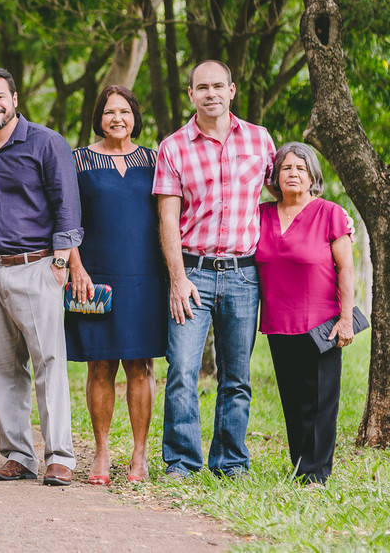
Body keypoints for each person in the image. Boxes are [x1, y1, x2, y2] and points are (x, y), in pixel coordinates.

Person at [153, 59, 275, 479]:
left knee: (236, 376)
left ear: (232, 90)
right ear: (191, 94)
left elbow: (286, 192)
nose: (211, 94)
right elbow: (167, 218)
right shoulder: (173, 147)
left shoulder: (260, 139)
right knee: (182, 370)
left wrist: (329, 216)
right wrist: (177, 279)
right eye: (202, 87)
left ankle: (231, 461)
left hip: (243, 276)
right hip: (193, 273)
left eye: (218, 86)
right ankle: (182, 462)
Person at [0, 66, 82, 487]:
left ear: (14, 99)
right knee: (0, 367)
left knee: (49, 362)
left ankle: (60, 457)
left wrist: (61, 264)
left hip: (37, 266)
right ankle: (18, 455)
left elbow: (67, 205)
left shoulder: (47, 143)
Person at [65, 86, 166, 484]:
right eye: (109, 112)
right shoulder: (78, 161)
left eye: (124, 111)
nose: (117, 118)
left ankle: (140, 454)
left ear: (135, 116)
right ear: (99, 117)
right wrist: (76, 267)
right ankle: (102, 452)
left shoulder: (155, 161)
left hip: (145, 276)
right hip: (95, 277)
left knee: (140, 365)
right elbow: (67, 219)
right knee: (100, 363)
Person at [255, 143, 355, 486]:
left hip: (323, 323)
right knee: (293, 399)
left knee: (321, 400)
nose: (293, 173)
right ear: (275, 176)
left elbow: (346, 269)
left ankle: (317, 473)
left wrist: (345, 318)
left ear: (313, 176)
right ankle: (301, 464)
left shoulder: (331, 213)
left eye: (300, 168)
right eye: (286, 168)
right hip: (279, 322)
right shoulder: (261, 214)